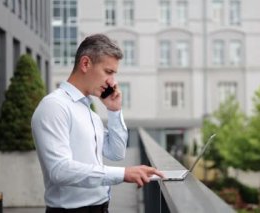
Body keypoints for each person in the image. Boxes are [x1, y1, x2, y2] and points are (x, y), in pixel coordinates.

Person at [31, 34, 163, 213]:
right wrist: (123, 174)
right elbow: (59, 170)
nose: (112, 82)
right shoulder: (54, 106)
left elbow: (116, 153)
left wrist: (114, 111)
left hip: (101, 208)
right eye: (108, 72)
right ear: (85, 64)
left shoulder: (89, 112)